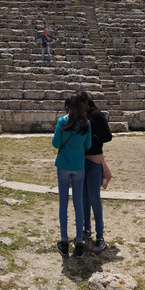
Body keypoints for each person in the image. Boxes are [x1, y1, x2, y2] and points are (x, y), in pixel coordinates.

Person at [51, 93, 93, 257]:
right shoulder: (86, 124)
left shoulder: (62, 121)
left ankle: (63, 240)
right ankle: (79, 242)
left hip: (63, 165)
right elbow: (88, 145)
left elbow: (56, 143)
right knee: (78, 204)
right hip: (78, 166)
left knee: (63, 203)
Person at [80, 92, 114, 253]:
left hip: (94, 161)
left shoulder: (97, 115)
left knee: (94, 197)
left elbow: (108, 136)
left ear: (86, 102)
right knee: (84, 197)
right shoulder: (84, 115)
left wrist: (90, 137)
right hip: (83, 161)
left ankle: (100, 237)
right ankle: (86, 229)